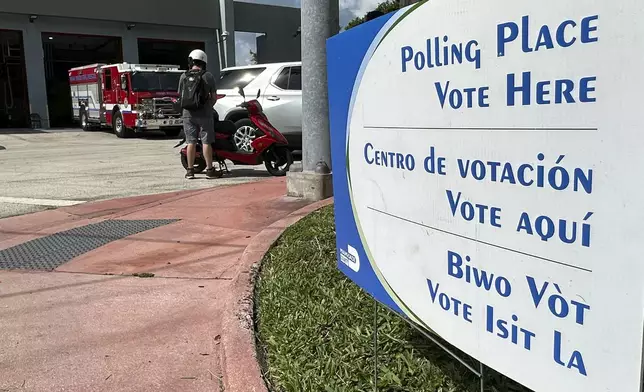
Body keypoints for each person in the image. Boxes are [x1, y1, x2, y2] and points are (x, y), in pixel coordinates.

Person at [178, 49, 220, 179]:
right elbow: (214, 96)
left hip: (188, 113)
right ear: (204, 62)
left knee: (191, 141)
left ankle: (190, 171)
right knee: (206, 141)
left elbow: (180, 95)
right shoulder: (208, 76)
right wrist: (209, 106)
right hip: (205, 113)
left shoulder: (183, 76)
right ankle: (209, 170)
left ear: (191, 61)